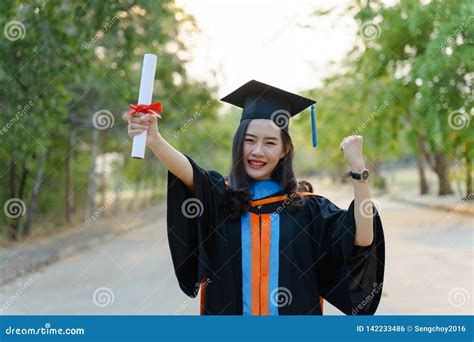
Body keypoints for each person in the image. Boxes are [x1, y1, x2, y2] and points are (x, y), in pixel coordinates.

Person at [125, 80, 385, 315]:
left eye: (270, 143)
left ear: (285, 150)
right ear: (239, 143)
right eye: (250, 140)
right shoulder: (222, 198)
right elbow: (188, 171)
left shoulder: (307, 208)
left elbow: (363, 237)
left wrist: (358, 170)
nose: (257, 151)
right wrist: (155, 141)